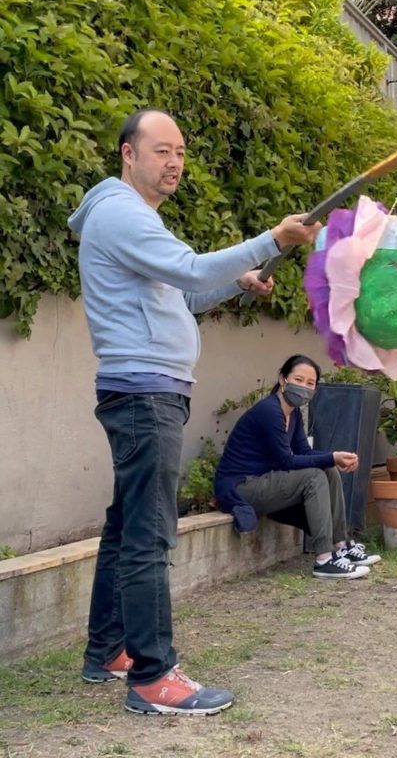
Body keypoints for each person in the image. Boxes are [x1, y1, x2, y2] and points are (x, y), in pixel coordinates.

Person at [70, 108, 322, 715]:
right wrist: (272, 240)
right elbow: (188, 268)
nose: (175, 161)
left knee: (128, 524)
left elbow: (185, 294)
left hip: (149, 391)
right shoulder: (120, 214)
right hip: (144, 394)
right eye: (161, 150)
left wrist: (239, 282)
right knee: (150, 534)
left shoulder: (136, 220)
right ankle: (153, 678)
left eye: (180, 151)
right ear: (128, 154)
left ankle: (108, 651)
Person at [215, 355, 380, 579]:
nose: (304, 387)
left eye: (310, 384)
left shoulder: (291, 414)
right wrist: (332, 456)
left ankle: (342, 545)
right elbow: (286, 460)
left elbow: (304, 452)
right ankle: (324, 558)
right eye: (298, 379)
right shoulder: (270, 411)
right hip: (241, 486)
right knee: (314, 476)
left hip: (264, 481)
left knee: (328, 470)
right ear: (283, 379)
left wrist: (334, 458)